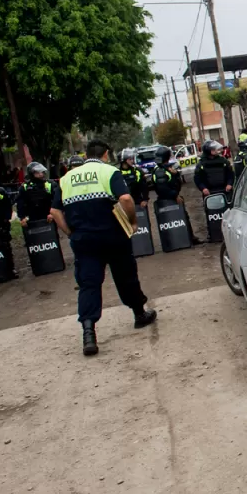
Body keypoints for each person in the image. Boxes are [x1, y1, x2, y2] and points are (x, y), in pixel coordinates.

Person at [50, 139, 157, 356]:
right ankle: (139, 314)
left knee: (88, 284)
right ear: (106, 154)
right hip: (113, 236)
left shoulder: (66, 179)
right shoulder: (109, 172)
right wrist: (132, 220)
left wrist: (69, 232)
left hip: (84, 240)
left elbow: (55, 212)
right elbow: (126, 198)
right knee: (126, 276)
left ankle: (89, 333)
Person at [150, 146, 199, 245]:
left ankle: (190, 238)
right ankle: (174, 241)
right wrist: (175, 195)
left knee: (183, 218)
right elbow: (162, 189)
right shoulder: (160, 171)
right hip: (167, 199)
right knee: (171, 221)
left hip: (172, 196)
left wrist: (175, 174)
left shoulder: (167, 168)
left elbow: (175, 182)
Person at [16, 162, 55, 227]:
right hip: (32, 219)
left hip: (48, 217)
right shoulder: (25, 187)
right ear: (31, 174)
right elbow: (20, 204)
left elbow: (56, 201)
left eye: (41, 172)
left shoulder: (50, 184)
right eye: (37, 172)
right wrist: (22, 218)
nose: (40, 174)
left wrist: (53, 214)